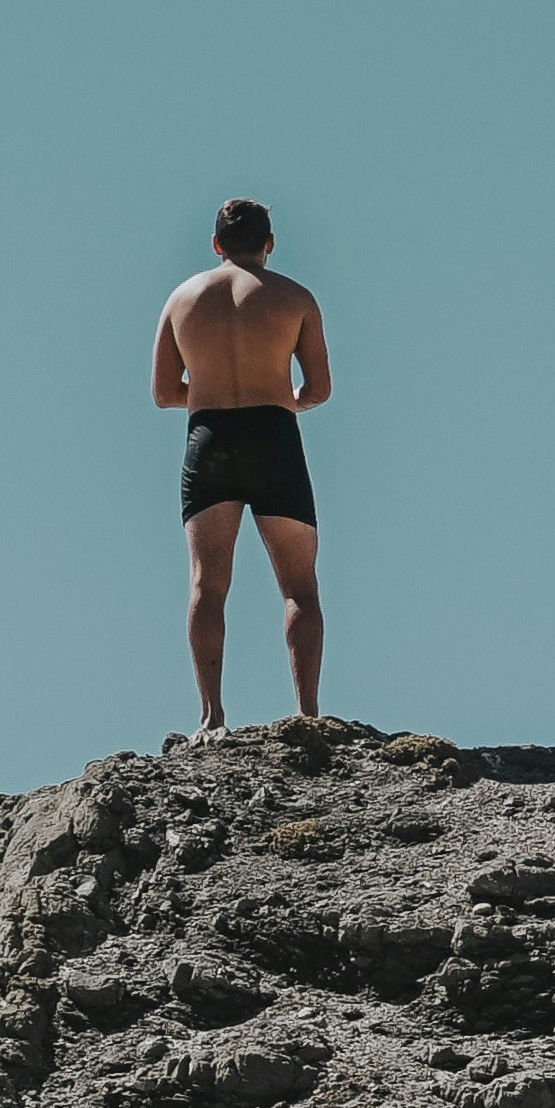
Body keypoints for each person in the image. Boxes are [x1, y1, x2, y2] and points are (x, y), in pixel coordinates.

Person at [153, 197, 329, 731]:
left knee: (207, 585)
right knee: (299, 587)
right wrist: (277, 397)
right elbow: (318, 389)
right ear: (269, 243)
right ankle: (307, 714)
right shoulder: (295, 298)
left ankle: (212, 716)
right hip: (274, 436)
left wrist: (212, 391)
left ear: (217, 244)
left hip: (210, 439)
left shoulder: (182, 299)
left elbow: (164, 392)